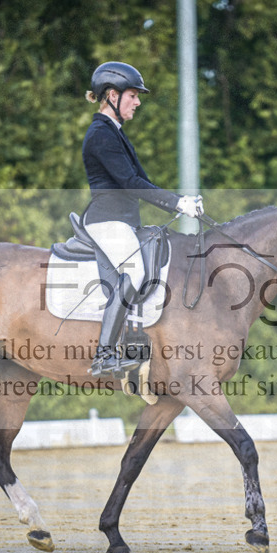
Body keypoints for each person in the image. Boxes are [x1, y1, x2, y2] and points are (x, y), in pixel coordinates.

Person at [81, 61, 203, 376]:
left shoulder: (115, 134)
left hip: (122, 220)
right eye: (132, 95)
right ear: (111, 96)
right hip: (106, 220)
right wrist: (178, 203)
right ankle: (105, 355)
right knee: (135, 272)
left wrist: (181, 203)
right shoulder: (100, 134)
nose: (138, 102)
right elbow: (130, 184)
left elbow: (142, 181)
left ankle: (137, 340)